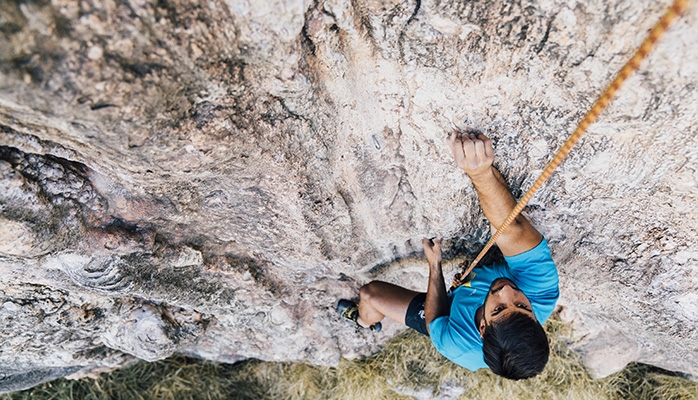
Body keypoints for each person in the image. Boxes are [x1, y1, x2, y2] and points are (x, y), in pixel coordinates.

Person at [337, 131, 559, 380]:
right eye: (521, 306)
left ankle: (363, 322)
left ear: (483, 327)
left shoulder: (458, 345)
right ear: (535, 318)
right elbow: (512, 229)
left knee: (369, 294)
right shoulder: (542, 293)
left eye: (498, 309)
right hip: (467, 294)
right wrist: (481, 173)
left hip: (448, 311)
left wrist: (435, 267)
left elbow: (435, 319)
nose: (506, 291)